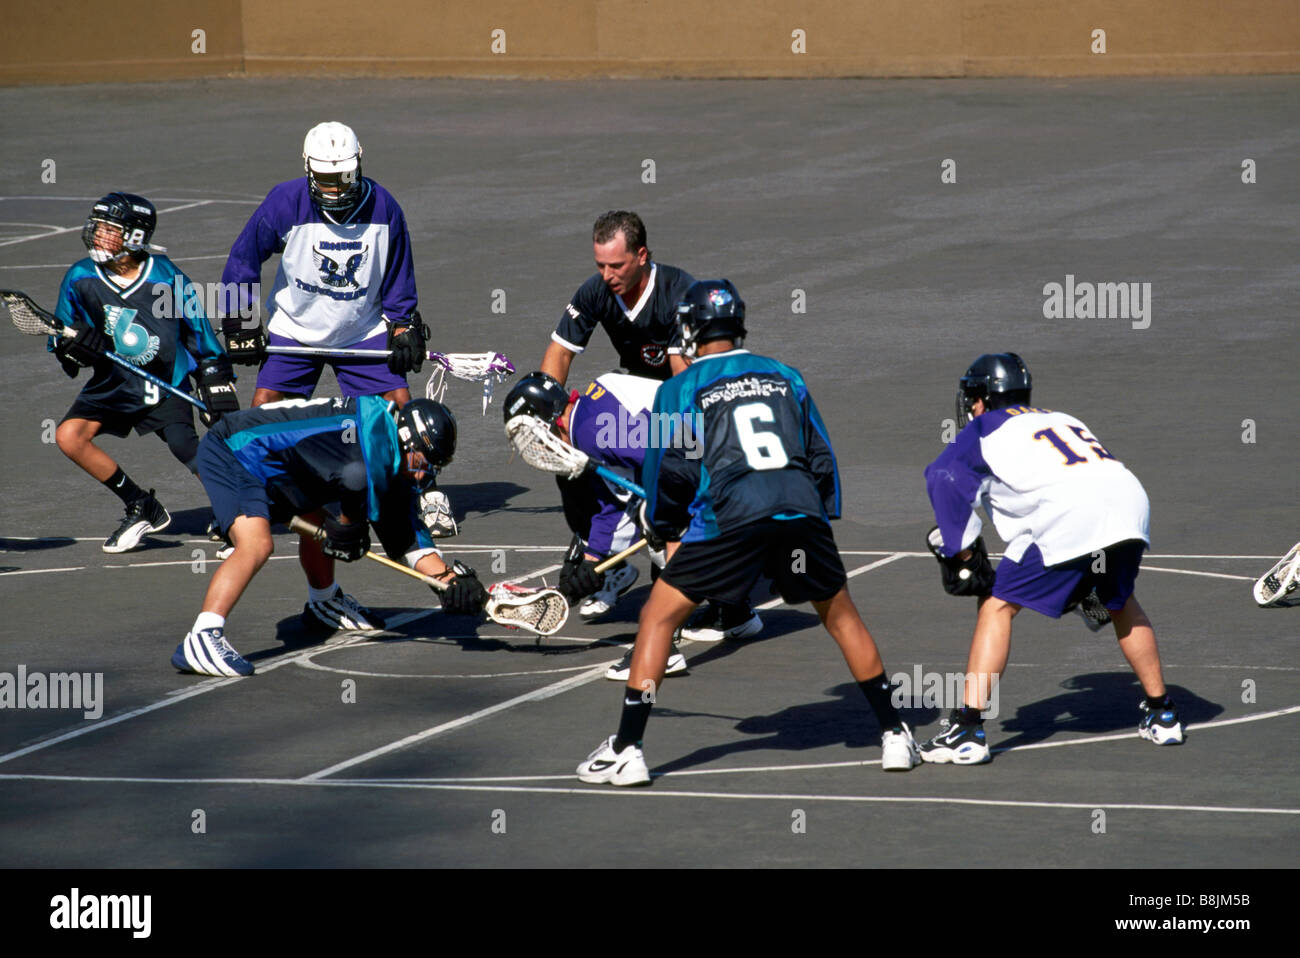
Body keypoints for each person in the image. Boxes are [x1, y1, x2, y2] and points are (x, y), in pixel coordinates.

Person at [576, 280, 919, 786]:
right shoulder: (785, 376)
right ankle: (894, 734)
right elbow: (820, 454)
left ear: (690, 330)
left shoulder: (681, 386)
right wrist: (820, 516)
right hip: (799, 511)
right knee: (841, 616)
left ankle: (628, 748)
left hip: (729, 515)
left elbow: (671, 467)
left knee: (658, 617)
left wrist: (666, 525)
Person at [918, 352, 1183, 765]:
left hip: (1070, 516)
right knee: (1120, 600)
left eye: (973, 398)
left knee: (997, 605)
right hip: (1130, 507)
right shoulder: (1062, 418)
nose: (970, 406)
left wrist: (962, 553)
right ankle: (1162, 713)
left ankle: (967, 729)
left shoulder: (986, 426)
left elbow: (942, 476)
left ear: (984, 397)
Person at [219, 121, 456, 538]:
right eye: (326, 179)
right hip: (295, 329)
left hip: (360, 331)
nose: (335, 188)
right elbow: (243, 259)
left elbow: (399, 276)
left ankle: (427, 495)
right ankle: (250, 510)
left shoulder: (385, 208)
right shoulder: (284, 202)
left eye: (343, 177)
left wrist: (404, 328)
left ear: (358, 164)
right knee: (261, 414)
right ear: (308, 169)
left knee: (401, 411)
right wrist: (239, 320)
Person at [541, 210, 760, 642]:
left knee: (667, 508)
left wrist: (677, 452)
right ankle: (615, 565)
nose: (606, 275)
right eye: (600, 265)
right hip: (638, 406)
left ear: (642, 256)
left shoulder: (680, 293)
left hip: (688, 405)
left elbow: (685, 379)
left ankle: (706, 614)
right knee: (578, 472)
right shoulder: (597, 291)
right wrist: (552, 416)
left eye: (616, 266)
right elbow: (560, 352)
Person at [171, 397, 487, 677]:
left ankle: (323, 602)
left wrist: (446, 581)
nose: (423, 474)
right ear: (407, 442)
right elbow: (354, 475)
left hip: (283, 461)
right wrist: (349, 527)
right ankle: (202, 636)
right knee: (256, 543)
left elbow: (404, 533)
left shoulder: (387, 443)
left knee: (324, 527)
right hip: (234, 451)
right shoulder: (370, 447)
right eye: (422, 463)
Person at [50, 191, 238, 553]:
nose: (98, 235)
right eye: (98, 227)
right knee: (69, 436)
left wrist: (214, 377)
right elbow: (69, 342)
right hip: (115, 381)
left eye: (109, 229)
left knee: (188, 448)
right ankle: (142, 506)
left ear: (135, 236)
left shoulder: (165, 277)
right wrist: (73, 351)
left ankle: (236, 516)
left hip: (162, 380)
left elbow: (198, 330)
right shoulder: (80, 277)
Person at [502, 370, 688, 680]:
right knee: (649, 510)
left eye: (529, 435)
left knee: (656, 519)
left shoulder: (592, 430)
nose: (533, 447)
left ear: (547, 421)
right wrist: (592, 562)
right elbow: (612, 504)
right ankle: (733, 611)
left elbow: (675, 461)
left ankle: (663, 645)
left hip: (723, 463)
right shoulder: (588, 420)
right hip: (714, 451)